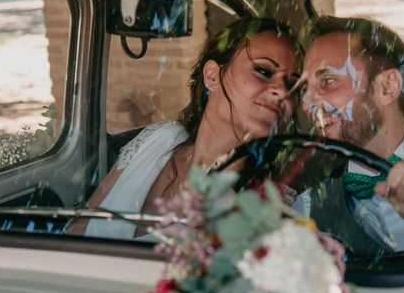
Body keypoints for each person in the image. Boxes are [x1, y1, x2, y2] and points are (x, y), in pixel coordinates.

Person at [68, 17, 302, 238]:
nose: (282, 92)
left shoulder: (265, 202)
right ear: (213, 77)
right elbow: (78, 228)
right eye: (263, 71)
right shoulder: (160, 138)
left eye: (291, 84)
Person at [295, 16, 404, 255]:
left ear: (387, 87)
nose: (306, 104)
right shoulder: (308, 201)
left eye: (328, 81)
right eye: (304, 89)